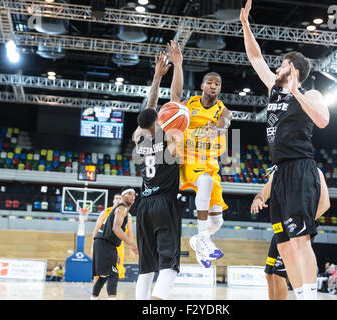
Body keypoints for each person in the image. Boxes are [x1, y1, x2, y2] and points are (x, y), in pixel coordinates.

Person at [241, 0, 330, 300]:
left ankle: (311, 297)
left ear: (292, 68)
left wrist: (296, 93)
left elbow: (323, 120)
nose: (275, 68)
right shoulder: (274, 89)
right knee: (284, 243)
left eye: (281, 64)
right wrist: (246, 26)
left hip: (300, 168)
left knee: (301, 240)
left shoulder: (310, 93)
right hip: (279, 172)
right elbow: (255, 57)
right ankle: (301, 293)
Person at [169, 40, 233, 267]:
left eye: (217, 83)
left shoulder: (222, 109)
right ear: (203, 86)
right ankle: (203, 237)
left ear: (219, 89)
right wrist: (178, 65)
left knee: (218, 221)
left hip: (211, 163)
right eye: (209, 82)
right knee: (203, 182)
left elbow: (226, 120)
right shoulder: (191, 104)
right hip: (189, 159)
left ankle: (198, 241)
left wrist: (219, 127)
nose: (213, 86)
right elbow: (174, 99)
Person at [133, 48, 183, 300]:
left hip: (144, 205)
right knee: (169, 265)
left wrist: (156, 78)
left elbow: (149, 109)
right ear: (159, 121)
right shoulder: (171, 139)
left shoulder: (139, 139)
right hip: (164, 203)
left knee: (146, 268)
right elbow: (174, 102)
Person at [250, 168, 330, 300]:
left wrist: (304, 221)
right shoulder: (278, 171)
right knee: (269, 274)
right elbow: (263, 193)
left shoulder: (313, 170)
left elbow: (325, 203)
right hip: (280, 231)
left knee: (279, 274)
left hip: (298, 231)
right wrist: (258, 199)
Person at [90, 186, 137, 300]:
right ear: (123, 196)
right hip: (103, 243)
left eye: (134, 195)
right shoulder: (121, 208)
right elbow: (116, 229)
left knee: (104, 275)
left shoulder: (124, 211)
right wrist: (131, 244)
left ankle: (93, 297)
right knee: (113, 274)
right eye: (129, 194)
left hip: (107, 243)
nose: (132, 196)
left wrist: (115, 252)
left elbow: (112, 234)